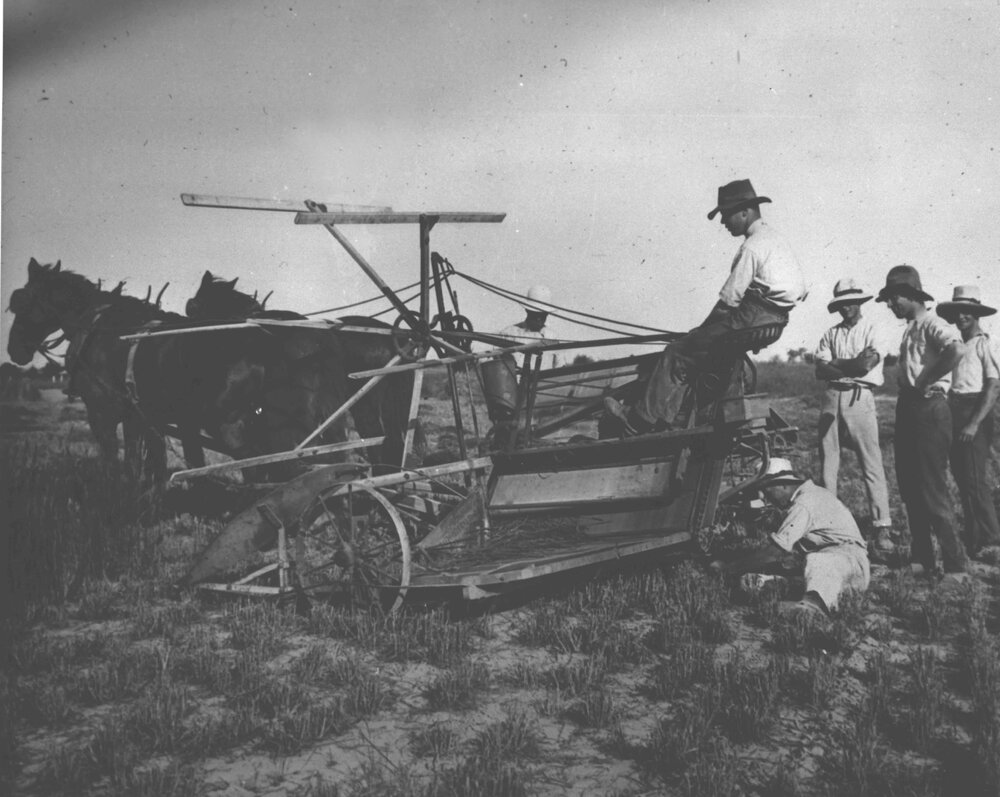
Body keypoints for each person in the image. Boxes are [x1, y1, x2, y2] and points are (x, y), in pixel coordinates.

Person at [604, 179, 807, 434]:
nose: (723, 222)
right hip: (774, 321)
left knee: (677, 352)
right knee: (704, 350)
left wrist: (699, 331)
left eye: (725, 215)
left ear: (745, 212)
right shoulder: (776, 240)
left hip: (751, 318)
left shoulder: (751, 248)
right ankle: (680, 414)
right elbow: (802, 291)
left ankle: (639, 421)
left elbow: (728, 302)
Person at [876, 265, 970, 578]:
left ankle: (956, 567)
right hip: (910, 409)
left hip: (930, 409)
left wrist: (927, 378)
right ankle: (923, 559)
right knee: (910, 488)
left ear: (912, 295)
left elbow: (956, 350)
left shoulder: (933, 323)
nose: (890, 305)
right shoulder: (910, 327)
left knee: (932, 489)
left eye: (893, 299)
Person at [710, 457, 870, 615]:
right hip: (842, 568)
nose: (764, 497)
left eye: (766, 491)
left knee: (817, 561)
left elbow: (774, 552)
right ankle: (800, 592)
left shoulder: (804, 504)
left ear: (783, 484)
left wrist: (729, 568)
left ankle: (811, 607)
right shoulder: (809, 495)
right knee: (758, 581)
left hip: (847, 561)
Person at [814, 278, 895, 560]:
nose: (847, 307)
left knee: (870, 462)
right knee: (828, 462)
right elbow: (820, 371)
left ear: (860, 302)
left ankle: (881, 527)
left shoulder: (874, 328)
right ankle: (829, 525)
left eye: (852, 301)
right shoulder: (830, 333)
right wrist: (846, 366)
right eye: (841, 303)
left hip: (860, 396)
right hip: (832, 397)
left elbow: (866, 365)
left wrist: (837, 364)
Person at [937, 285, 1000, 560]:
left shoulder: (985, 343)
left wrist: (974, 423)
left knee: (975, 480)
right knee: (962, 479)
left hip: (975, 411)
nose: (962, 316)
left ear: (976, 314)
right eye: (958, 311)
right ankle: (975, 541)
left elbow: (992, 387)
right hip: (954, 409)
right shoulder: (956, 347)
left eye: (968, 311)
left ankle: (992, 541)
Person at [494, 284, 564, 370]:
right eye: (535, 313)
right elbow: (496, 360)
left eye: (543, 314)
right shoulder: (509, 333)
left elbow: (560, 366)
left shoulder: (552, 337)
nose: (539, 318)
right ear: (527, 310)